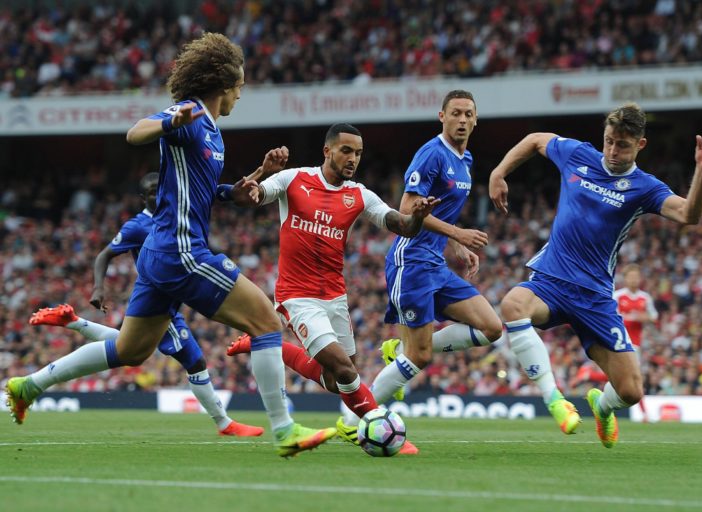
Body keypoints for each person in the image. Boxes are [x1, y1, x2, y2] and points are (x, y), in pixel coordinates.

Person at [5, 32, 335, 457]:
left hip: (161, 254)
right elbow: (135, 133)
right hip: (182, 252)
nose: (240, 94)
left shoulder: (213, 131)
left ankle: (28, 386)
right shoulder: (192, 114)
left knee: (130, 349)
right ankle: (284, 429)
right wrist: (168, 123)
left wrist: (248, 182)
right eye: (240, 86)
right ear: (223, 84)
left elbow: (204, 191)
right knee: (267, 323)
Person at [348, 90, 580, 445]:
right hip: (411, 262)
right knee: (420, 356)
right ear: (442, 116)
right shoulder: (432, 154)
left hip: (436, 263)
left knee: (491, 328)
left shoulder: (465, 159)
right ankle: (352, 420)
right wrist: (458, 233)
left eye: (468, 114)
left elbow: (439, 212)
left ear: (475, 120)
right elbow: (406, 210)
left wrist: (455, 246)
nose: (461, 119)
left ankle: (400, 351)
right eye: (455, 113)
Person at [489, 102, 702, 448]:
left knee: (631, 391)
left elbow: (689, 214)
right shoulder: (577, 155)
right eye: (609, 141)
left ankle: (602, 407)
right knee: (513, 304)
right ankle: (555, 400)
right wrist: (498, 173)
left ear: (640, 145)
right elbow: (536, 139)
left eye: (623, 145)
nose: (613, 151)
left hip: (595, 298)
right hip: (551, 282)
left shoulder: (644, 187)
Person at [225, 123, 438, 455]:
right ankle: (379, 426)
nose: (353, 159)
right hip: (297, 296)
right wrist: (263, 172)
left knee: (334, 380)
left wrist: (418, 218)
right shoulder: (294, 179)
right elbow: (244, 198)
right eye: (346, 151)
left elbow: (403, 226)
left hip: (335, 297)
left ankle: (267, 345)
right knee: (345, 369)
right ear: (327, 151)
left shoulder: (359, 195)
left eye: (358, 153)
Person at [27, 172, 263, 436]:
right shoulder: (138, 225)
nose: (157, 196)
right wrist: (98, 287)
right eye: (151, 192)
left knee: (131, 348)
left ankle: (74, 324)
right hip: (158, 298)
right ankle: (224, 423)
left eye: (159, 190)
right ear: (142, 197)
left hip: (171, 298)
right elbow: (104, 255)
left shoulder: (173, 217)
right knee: (192, 360)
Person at [614, 262, 659, 422]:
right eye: (630, 276)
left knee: (633, 377)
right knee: (630, 377)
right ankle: (644, 412)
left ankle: (642, 413)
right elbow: (610, 316)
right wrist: (630, 318)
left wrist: (643, 317)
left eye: (636, 277)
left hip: (635, 344)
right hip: (618, 342)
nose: (633, 279)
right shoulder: (618, 296)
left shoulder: (645, 298)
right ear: (625, 278)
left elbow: (654, 316)